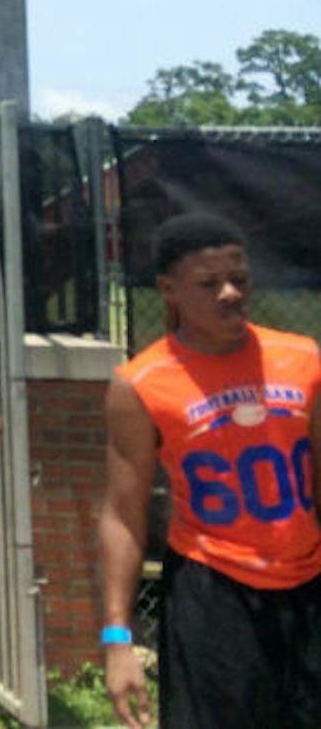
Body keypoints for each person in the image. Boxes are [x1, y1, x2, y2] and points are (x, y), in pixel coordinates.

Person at [98, 212, 321, 729]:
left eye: (238, 280)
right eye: (208, 283)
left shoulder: (303, 358)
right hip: (213, 591)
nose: (228, 293)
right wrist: (117, 638)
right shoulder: (141, 383)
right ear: (168, 290)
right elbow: (123, 514)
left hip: (306, 582)